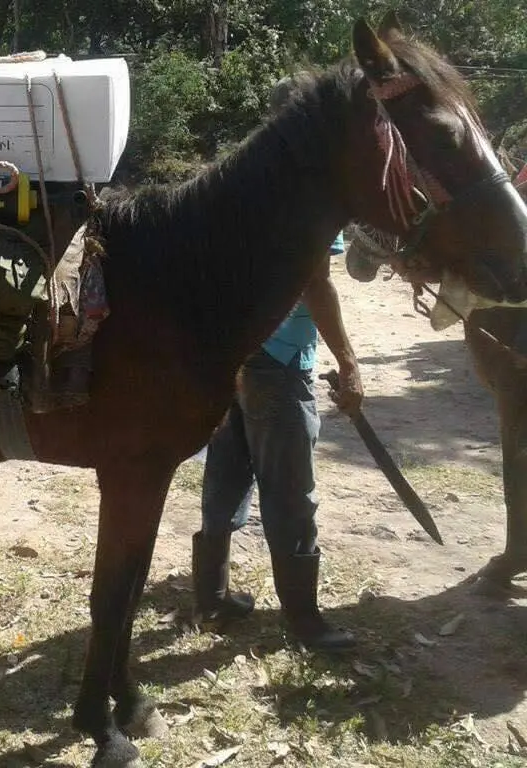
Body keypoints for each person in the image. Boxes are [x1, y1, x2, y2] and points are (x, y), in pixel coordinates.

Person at [189, 74, 364, 652]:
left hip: (231, 351)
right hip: (280, 358)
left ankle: (211, 598)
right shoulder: (308, 188)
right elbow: (316, 283)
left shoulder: (237, 176)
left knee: (228, 472)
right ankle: (306, 621)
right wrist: (349, 359)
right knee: (290, 490)